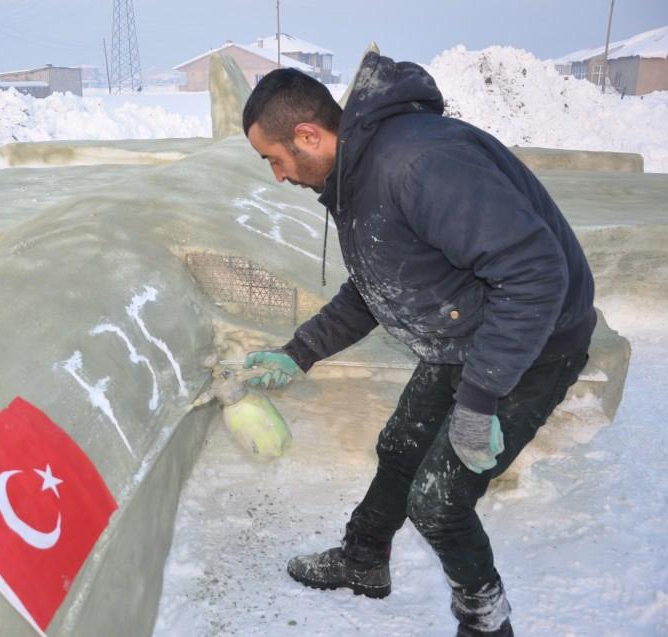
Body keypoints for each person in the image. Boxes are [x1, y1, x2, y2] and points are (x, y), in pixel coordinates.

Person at [240, 53, 596, 637]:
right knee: (401, 446)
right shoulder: (356, 174)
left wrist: (480, 400)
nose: (277, 174)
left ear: (307, 135)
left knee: (439, 502)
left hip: (533, 341)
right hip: (467, 330)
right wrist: (298, 351)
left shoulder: (419, 163)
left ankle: (486, 623)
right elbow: (379, 285)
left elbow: (535, 272)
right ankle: (364, 559)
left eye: (275, 160)